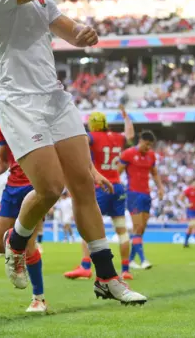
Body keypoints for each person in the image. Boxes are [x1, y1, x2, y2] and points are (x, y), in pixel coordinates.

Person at [0, 0, 146, 305]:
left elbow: (67, 30)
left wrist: (83, 33)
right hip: (20, 103)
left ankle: (107, 277)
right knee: (50, 188)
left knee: (82, 186)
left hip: (54, 98)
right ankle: (16, 241)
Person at [0, 124, 47, 313]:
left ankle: (39, 299)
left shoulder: (38, 116)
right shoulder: (4, 123)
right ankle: (18, 252)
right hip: (12, 188)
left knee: (28, 244)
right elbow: (2, 162)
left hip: (36, 187)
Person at [64, 107, 135, 280]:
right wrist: (126, 119)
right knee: (122, 230)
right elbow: (130, 135)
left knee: (88, 225)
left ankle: (85, 266)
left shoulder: (93, 137)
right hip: (117, 186)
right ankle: (126, 270)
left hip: (101, 185)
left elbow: (79, 141)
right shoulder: (118, 138)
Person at [117, 130, 164, 270]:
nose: (148, 148)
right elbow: (117, 172)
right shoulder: (128, 154)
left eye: (151, 145)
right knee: (137, 228)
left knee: (141, 229)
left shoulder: (151, 155)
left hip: (146, 195)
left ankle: (131, 259)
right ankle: (143, 260)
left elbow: (154, 173)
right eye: (147, 144)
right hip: (133, 194)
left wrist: (160, 188)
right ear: (141, 141)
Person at [181, 180, 195, 248]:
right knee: (194, 225)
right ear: (192, 184)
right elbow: (180, 198)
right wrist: (186, 205)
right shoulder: (188, 190)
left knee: (190, 227)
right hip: (190, 210)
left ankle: (185, 242)